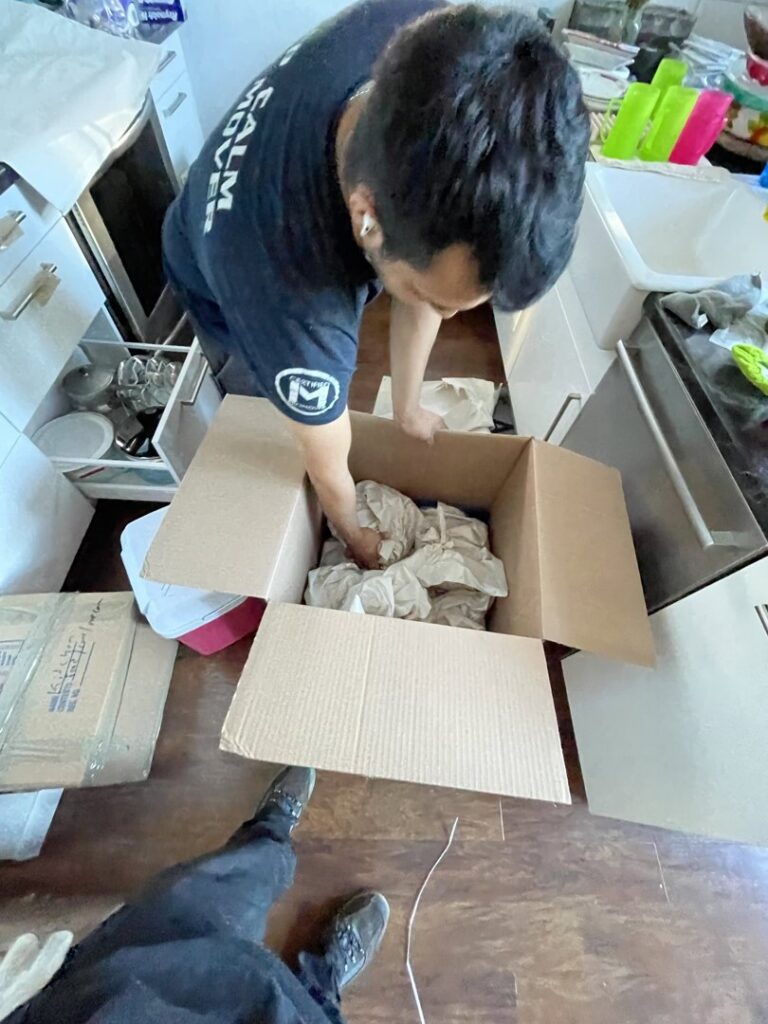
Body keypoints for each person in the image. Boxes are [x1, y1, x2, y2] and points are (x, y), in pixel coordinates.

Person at [162, 0, 590, 568]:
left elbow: (435, 278)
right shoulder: (292, 305)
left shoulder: (438, 40)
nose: (449, 316)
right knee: (266, 419)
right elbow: (326, 457)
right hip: (214, 273)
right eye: (433, 299)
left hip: (282, 196)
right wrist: (360, 540)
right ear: (366, 219)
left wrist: (407, 409)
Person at [5, 766, 387, 1024]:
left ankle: (267, 837)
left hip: (102, 1004)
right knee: (300, 1007)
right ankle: (322, 982)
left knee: (192, 898)